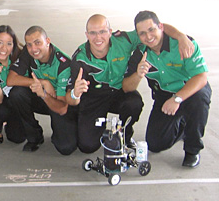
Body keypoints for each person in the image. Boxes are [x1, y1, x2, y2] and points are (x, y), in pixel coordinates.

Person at [66, 14, 195, 154]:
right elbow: (70, 99)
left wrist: (181, 36)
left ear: (110, 31)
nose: (98, 37)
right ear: (87, 35)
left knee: (134, 103)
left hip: (120, 91)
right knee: (87, 147)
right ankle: (92, 123)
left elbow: (156, 28)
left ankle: (124, 135)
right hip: (94, 97)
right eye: (93, 33)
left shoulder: (124, 40)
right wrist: (75, 93)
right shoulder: (80, 58)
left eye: (102, 31)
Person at [123, 10, 211, 168]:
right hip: (164, 94)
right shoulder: (139, 53)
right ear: (138, 35)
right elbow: (126, 87)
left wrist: (177, 98)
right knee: (156, 144)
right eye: (142, 33)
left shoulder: (184, 44)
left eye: (152, 30)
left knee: (199, 99)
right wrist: (138, 73)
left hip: (189, 89)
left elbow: (201, 77)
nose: (148, 36)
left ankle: (192, 149)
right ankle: (184, 124)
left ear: (161, 27)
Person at [7, 26, 78, 155]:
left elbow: (62, 108)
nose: (33, 49)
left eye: (37, 43)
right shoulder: (28, 53)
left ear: (48, 41)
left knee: (66, 147)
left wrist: (44, 94)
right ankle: (34, 136)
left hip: (58, 101)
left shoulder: (64, 64)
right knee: (17, 93)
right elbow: (10, 80)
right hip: (41, 95)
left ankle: (69, 128)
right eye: (29, 45)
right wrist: (43, 83)